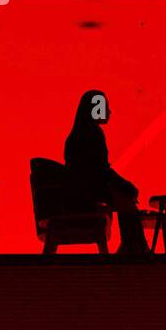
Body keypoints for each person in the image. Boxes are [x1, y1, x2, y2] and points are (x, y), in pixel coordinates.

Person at [64, 90, 150, 254]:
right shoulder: (93, 134)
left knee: (124, 195)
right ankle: (134, 246)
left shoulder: (77, 135)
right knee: (127, 198)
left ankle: (132, 245)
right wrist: (124, 184)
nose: (109, 112)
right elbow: (101, 170)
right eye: (105, 107)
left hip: (80, 191)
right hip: (87, 192)